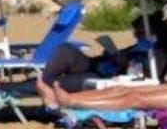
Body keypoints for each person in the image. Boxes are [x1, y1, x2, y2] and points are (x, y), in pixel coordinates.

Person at [35, 13, 167, 109]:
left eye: (140, 33)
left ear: (154, 32)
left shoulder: (159, 52)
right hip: (97, 65)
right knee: (66, 49)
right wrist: (112, 54)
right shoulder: (139, 46)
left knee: (59, 84)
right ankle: (45, 84)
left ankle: (45, 88)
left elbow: (149, 76)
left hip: (108, 77)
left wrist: (125, 63)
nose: (136, 36)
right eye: (135, 33)